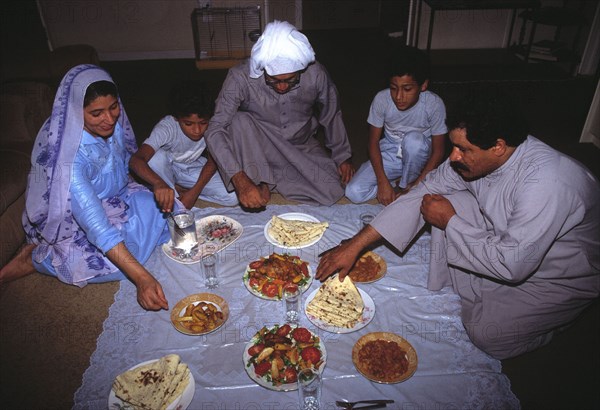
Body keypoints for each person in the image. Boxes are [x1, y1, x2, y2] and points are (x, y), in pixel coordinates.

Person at [316, 92, 600, 359]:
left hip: (556, 274)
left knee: (487, 335)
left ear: (499, 147)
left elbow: (514, 265)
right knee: (435, 199)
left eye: (463, 149)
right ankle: (481, 287)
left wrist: (450, 222)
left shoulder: (548, 184)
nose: (453, 157)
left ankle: (554, 322)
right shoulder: (482, 157)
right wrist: (355, 245)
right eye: (453, 146)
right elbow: (421, 192)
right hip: (504, 241)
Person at [0, 64, 170, 311]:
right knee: (110, 265)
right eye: (97, 113)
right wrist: (142, 278)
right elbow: (96, 225)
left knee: (165, 209)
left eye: (114, 107)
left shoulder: (113, 125)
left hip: (112, 199)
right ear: (75, 112)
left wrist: (155, 185)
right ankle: (36, 259)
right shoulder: (68, 158)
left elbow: (124, 168)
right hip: (74, 220)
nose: (109, 119)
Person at [204, 20, 355, 209]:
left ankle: (269, 178)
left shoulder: (316, 74)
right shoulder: (239, 76)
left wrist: (342, 156)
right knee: (238, 121)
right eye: (273, 81)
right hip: (257, 145)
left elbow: (331, 113)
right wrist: (239, 179)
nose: (282, 87)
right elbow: (214, 129)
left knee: (332, 189)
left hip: (300, 145)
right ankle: (260, 180)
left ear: (301, 69)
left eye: (291, 80)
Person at [345, 45, 447, 205]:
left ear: (423, 85)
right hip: (391, 152)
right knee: (353, 192)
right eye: (393, 88)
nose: (399, 96)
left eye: (407, 89)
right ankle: (396, 185)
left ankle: (407, 185)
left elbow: (439, 150)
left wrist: (417, 184)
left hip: (420, 157)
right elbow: (373, 143)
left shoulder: (434, 104)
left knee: (413, 142)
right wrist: (382, 182)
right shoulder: (381, 99)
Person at [129, 81, 237, 211]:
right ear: (176, 118)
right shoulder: (167, 127)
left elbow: (213, 160)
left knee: (233, 196)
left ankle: (179, 191)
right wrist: (159, 183)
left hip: (191, 166)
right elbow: (136, 160)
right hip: (166, 167)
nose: (197, 130)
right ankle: (171, 194)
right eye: (188, 123)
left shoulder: (213, 125)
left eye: (203, 123)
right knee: (155, 158)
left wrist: (194, 192)